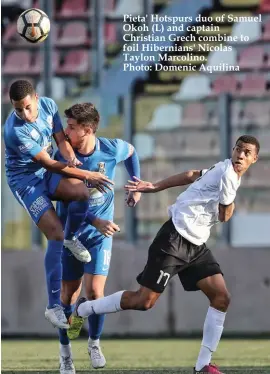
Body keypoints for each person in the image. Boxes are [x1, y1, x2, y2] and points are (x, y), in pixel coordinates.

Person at [67, 135, 260, 374]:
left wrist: (155, 186)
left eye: (247, 152)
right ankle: (84, 310)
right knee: (143, 301)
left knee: (221, 298)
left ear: (254, 159)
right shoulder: (228, 174)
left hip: (196, 245)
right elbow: (224, 216)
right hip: (174, 239)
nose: (240, 155)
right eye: (238, 149)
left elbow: (191, 174)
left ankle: (202, 366)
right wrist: (227, 202)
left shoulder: (222, 168)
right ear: (232, 150)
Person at [4, 80, 113, 329]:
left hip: (46, 174)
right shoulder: (14, 130)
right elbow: (48, 163)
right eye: (18, 110)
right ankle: (53, 306)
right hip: (26, 182)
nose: (24, 114)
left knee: (81, 195)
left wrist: (72, 158)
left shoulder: (50, 106)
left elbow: (60, 139)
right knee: (54, 231)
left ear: (37, 98)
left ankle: (71, 238)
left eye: (28, 107)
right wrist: (86, 174)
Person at [54, 102, 141, 374]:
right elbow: (68, 205)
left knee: (96, 293)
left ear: (87, 129)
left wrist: (136, 183)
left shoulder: (110, 149)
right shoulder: (65, 158)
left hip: (100, 236)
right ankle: (65, 353)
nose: (65, 132)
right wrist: (96, 220)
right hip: (71, 233)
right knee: (69, 295)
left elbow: (132, 151)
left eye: (71, 127)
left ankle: (93, 343)